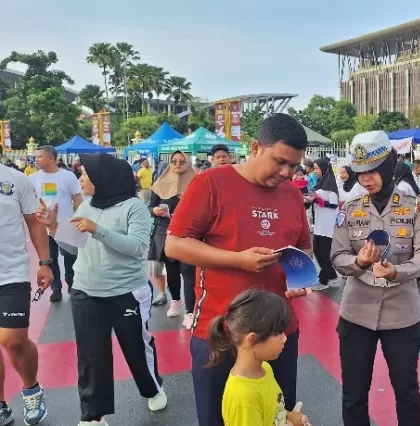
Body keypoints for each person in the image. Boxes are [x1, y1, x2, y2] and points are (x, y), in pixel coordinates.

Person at [164, 113, 312, 426]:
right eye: (279, 162)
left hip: (278, 331)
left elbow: (304, 248)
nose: (286, 173)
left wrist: (301, 277)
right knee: (217, 417)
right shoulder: (211, 183)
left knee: (276, 417)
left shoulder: (293, 194)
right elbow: (175, 245)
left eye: (294, 166)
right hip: (221, 330)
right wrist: (238, 260)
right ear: (256, 147)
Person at [37, 153, 167, 426]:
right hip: (86, 291)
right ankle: (93, 415)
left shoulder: (134, 207)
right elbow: (74, 248)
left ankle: (153, 388)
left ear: (104, 178)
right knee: (91, 355)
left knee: (136, 347)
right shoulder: (86, 206)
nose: (81, 179)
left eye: (86, 174)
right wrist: (53, 229)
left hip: (126, 292)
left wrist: (99, 230)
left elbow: (138, 249)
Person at [330, 130, 420, 426]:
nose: (366, 178)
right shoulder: (349, 210)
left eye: (373, 170)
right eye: (360, 171)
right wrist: (358, 261)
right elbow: (337, 256)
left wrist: (397, 272)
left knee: (406, 391)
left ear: (390, 163)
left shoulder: (418, 207)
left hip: (401, 315)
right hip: (356, 314)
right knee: (353, 393)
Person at [0, 147, 53, 425]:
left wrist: (44, 261)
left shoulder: (14, 180)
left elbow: (34, 222)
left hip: (11, 273)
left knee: (13, 340)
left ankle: (32, 389)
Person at [208, 290, 309, 426]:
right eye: (279, 333)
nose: (285, 338)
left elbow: (272, 413)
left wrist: (289, 417)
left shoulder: (265, 368)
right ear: (252, 339)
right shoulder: (243, 399)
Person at [147, 151, 197, 326]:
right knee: (172, 271)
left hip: (189, 233)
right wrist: (154, 211)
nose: (177, 164)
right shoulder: (160, 182)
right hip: (166, 232)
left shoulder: (196, 183)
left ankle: (190, 310)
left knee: (189, 272)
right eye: (174, 161)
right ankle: (176, 300)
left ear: (188, 163)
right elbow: (150, 206)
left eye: (182, 161)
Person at [28, 144, 83, 301]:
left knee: (70, 256)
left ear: (51, 158)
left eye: (39, 157)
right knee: (50, 258)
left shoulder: (68, 176)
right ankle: (56, 288)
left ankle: (72, 284)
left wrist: (77, 219)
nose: (36, 160)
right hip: (43, 226)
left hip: (66, 224)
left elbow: (77, 199)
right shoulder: (32, 178)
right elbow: (30, 202)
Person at [307, 158, 340, 291]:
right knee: (317, 251)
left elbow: (334, 203)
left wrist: (322, 202)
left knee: (325, 254)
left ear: (324, 169)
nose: (315, 171)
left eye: (317, 168)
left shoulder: (331, 184)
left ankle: (323, 280)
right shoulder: (320, 183)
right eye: (314, 168)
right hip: (319, 224)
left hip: (328, 225)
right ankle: (332, 276)